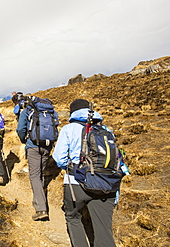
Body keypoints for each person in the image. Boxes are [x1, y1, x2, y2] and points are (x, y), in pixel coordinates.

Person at [52, 99, 117, 247]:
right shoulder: (106, 130)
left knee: (73, 217)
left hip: (77, 183)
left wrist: (72, 169)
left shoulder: (69, 129)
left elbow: (59, 158)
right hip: (105, 184)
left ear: (72, 112)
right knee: (104, 230)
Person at [16, 97, 59, 221]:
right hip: (47, 145)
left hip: (33, 145)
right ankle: (38, 199)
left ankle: (41, 209)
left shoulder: (28, 111)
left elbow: (20, 129)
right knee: (41, 173)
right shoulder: (52, 112)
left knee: (34, 175)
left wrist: (24, 140)